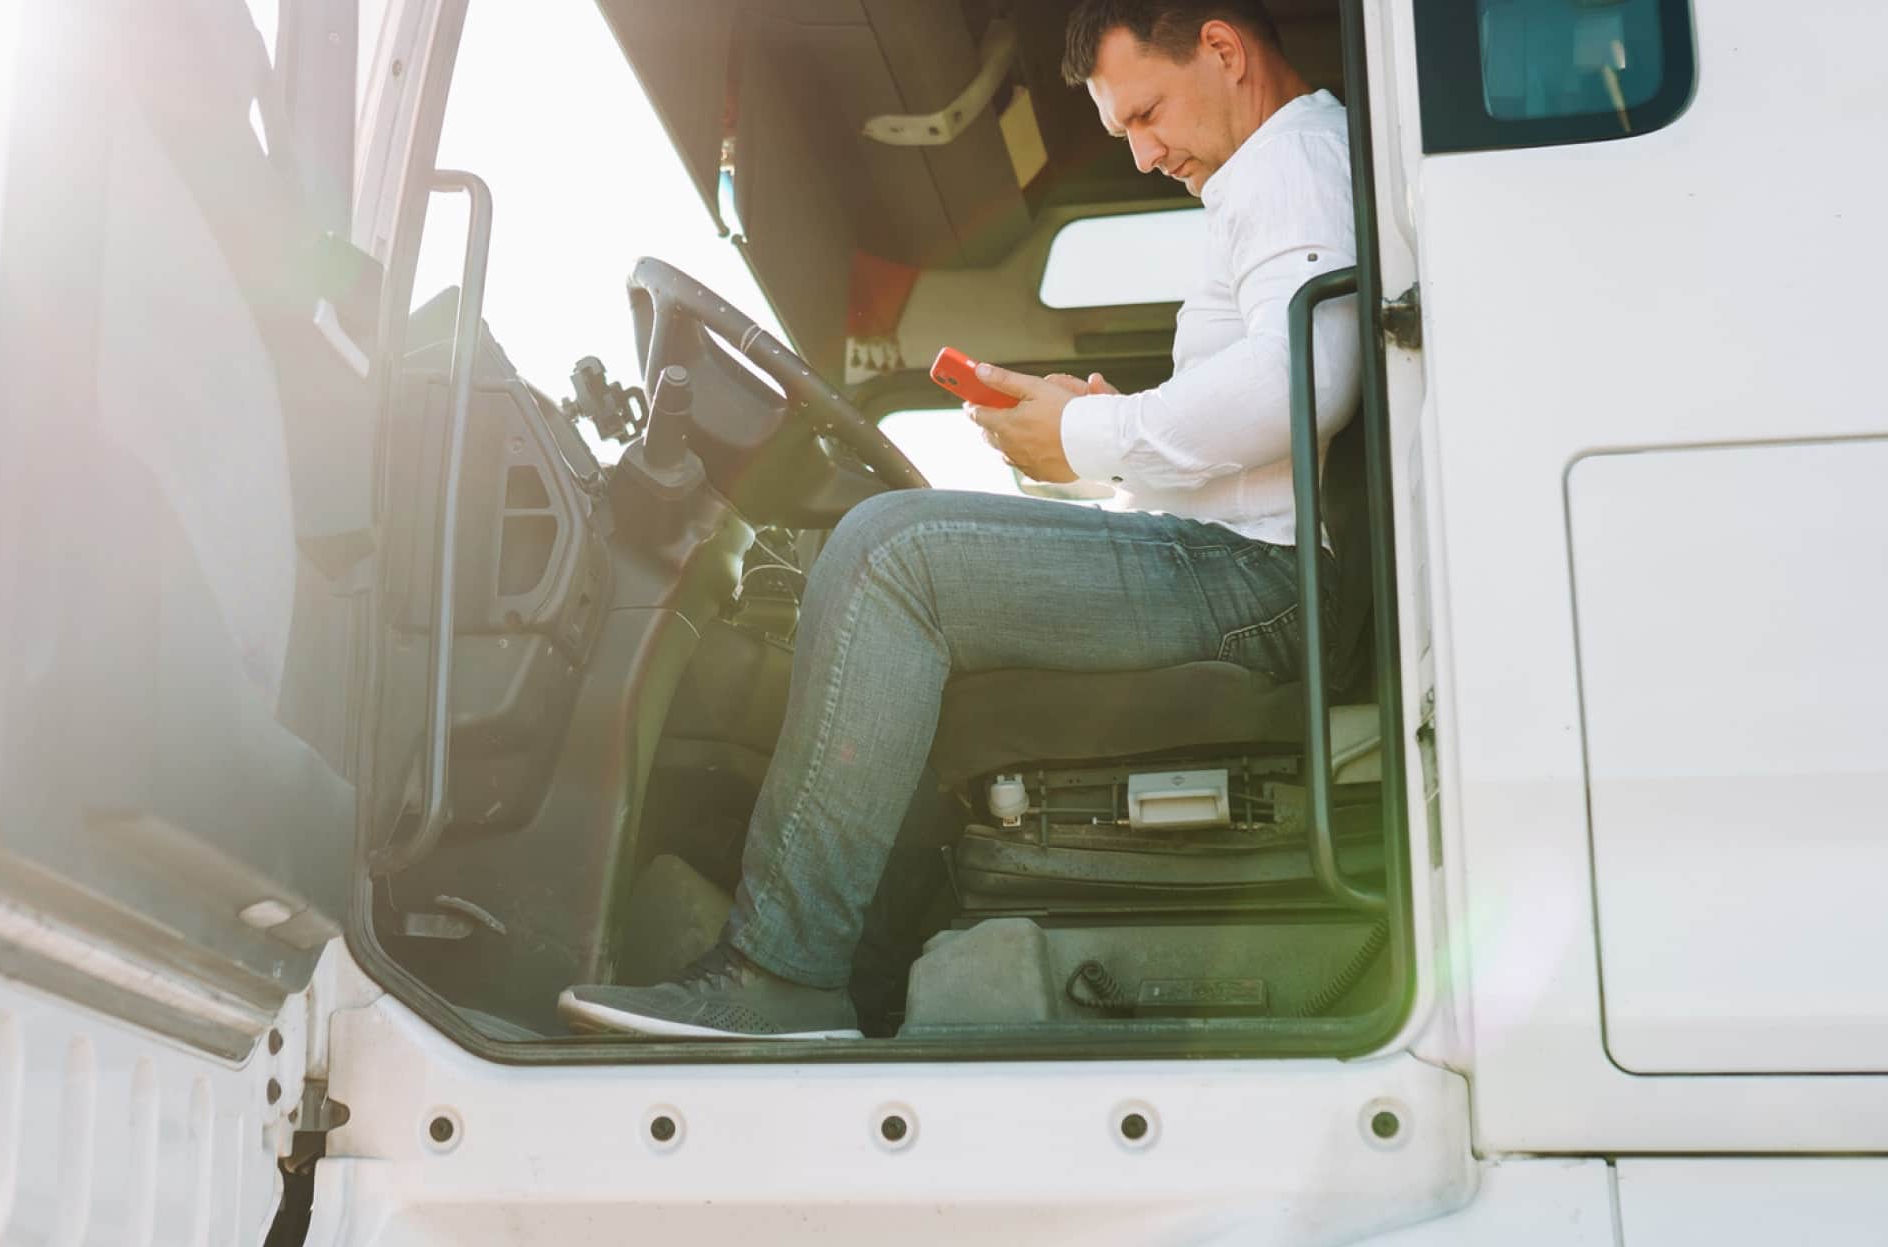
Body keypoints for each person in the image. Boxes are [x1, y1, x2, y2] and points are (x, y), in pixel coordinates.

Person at [559, 0, 1362, 1038]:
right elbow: (1260, 423)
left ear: (1222, 47)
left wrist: (1090, 438)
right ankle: (880, 970)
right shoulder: (1281, 173)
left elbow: (1310, 377)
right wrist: (1096, 419)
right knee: (900, 573)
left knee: (892, 557)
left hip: (1262, 583)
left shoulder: (1291, 161)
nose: (1148, 152)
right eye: (1126, 132)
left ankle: (776, 976)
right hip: (1246, 560)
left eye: (1149, 114)